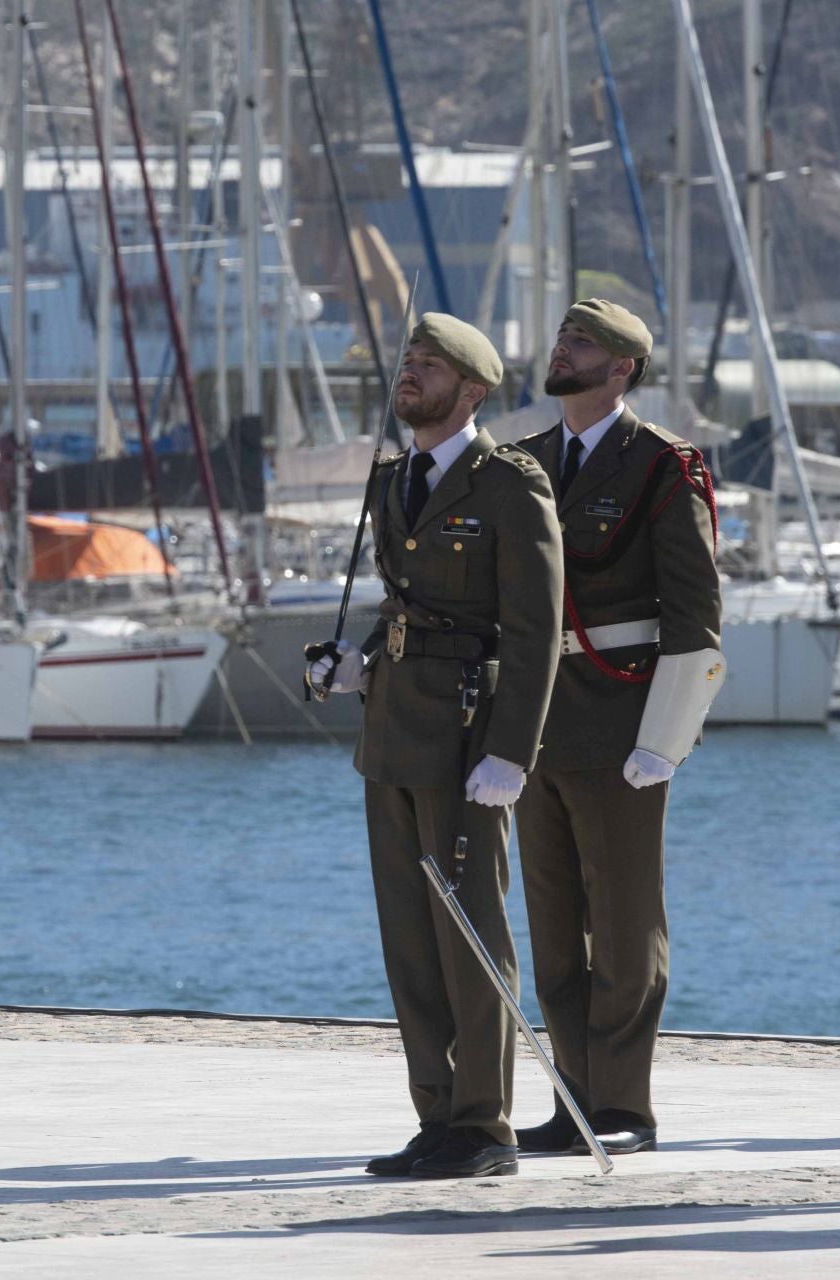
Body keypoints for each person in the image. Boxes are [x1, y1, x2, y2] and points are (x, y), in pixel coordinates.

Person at [307, 314, 562, 1178]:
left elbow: (534, 631)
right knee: (411, 936)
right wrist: (355, 664)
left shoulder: (509, 484)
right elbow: (402, 609)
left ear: (474, 389)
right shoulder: (393, 480)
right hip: (392, 732)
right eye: (409, 362)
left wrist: (513, 751)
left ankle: (486, 1123)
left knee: (470, 928)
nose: (409, 375)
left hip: (466, 734)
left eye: (429, 366)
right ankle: (438, 1115)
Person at [510, 300, 723, 1158]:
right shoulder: (521, 465)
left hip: (623, 718)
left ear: (622, 369)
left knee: (626, 926)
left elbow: (696, 619)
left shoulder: (661, 466)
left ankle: (625, 1108)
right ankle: (574, 1099)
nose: (563, 349)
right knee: (556, 928)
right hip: (533, 729)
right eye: (562, 337)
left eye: (583, 343)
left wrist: (662, 740)